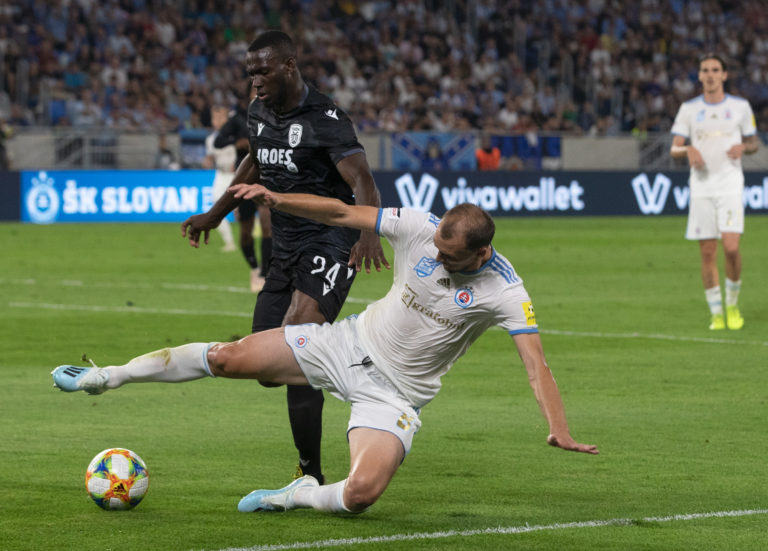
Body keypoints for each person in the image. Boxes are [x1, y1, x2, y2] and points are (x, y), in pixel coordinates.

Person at [52, 189, 599, 514]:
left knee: (360, 495)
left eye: (451, 256)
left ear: (481, 252)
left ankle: (292, 495)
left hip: (396, 395)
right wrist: (277, 199)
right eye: (436, 248)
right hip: (346, 344)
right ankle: (108, 377)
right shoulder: (421, 229)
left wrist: (560, 427)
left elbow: (537, 367)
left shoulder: (506, 291)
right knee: (227, 356)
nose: (436, 257)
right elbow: (340, 213)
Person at [179, 31, 388, 485]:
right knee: (271, 368)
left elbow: (363, 180)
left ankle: (311, 472)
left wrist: (369, 231)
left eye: (263, 70)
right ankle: (350, 364)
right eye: (250, 72)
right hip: (287, 247)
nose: (255, 81)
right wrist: (215, 215)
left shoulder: (326, 117)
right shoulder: (258, 111)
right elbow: (254, 161)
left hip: (331, 239)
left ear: (289, 66)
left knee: (297, 341)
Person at [670, 53, 759, 331]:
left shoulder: (740, 107)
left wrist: (744, 148)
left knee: (731, 247)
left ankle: (732, 305)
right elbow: (674, 149)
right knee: (708, 252)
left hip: (730, 184)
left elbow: (754, 141)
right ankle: (717, 313)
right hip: (702, 187)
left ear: (724, 75)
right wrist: (688, 149)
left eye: (715, 70)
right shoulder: (688, 109)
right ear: (699, 76)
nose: (709, 74)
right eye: (705, 70)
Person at [213, 83, 270, 291]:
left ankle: (265, 272)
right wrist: (236, 142)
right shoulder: (238, 119)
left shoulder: (275, 117)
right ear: (248, 95)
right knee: (245, 232)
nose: (258, 94)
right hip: (245, 179)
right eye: (254, 91)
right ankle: (254, 267)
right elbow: (218, 141)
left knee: (267, 223)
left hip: (267, 179)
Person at [202, 104, 237, 252]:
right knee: (216, 208)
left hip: (237, 175)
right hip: (221, 174)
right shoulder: (211, 139)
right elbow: (210, 157)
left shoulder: (235, 135)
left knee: (242, 209)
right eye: (214, 117)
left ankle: (255, 233)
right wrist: (207, 161)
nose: (216, 120)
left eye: (220, 117)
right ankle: (229, 242)